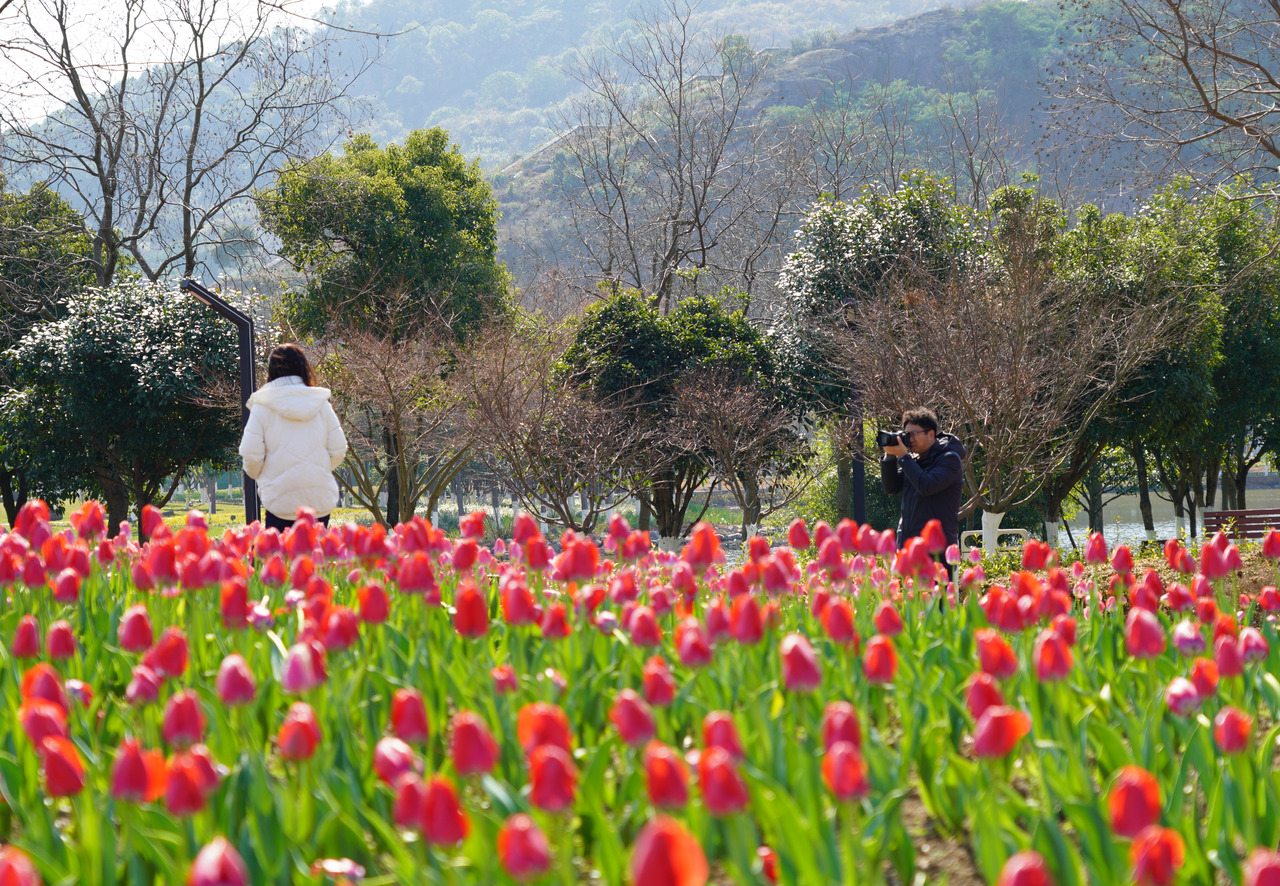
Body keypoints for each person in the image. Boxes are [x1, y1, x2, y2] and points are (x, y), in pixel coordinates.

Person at [239, 344, 347, 531]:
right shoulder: (321, 404)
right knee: (315, 557)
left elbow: (250, 454)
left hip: (280, 500)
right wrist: (316, 468)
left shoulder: (263, 405)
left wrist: (265, 476)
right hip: (318, 500)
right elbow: (338, 448)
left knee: (280, 559)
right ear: (303, 367)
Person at [879, 407, 965, 549]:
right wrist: (890, 455)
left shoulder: (949, 459)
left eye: (914, 434)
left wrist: (904, 457)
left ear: (931, 434)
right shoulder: (914, 460)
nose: (909, 439)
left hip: (937, 550)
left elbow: (926, 486)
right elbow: (891, 487)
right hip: (908, 546)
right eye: (907, 434)